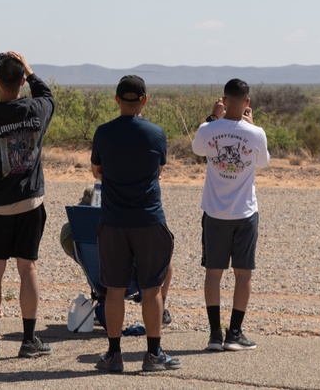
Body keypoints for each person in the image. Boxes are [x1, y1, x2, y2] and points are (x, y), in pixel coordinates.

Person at [0, 51, 55, 359]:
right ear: (21, 81)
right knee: (27, 266)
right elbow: (47, 94)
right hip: (30, 202)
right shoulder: (36, 110)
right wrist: (29, 69)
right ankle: (29, 339)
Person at [91, 75, 181, 373]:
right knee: (152, 288)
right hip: (148, 218)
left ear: (117, 100)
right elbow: (158, 170)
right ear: (144, 100)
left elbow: (96, 170)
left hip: (114, 220)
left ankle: (114, 355)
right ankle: (153, 354)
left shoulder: (103, 133)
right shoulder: (156, 134)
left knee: (114, 289)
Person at [192, 78, 270, 352]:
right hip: (245, 212)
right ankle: (234, 333)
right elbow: (263, 162)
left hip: (214, 212)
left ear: (224, 101)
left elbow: (197, 149)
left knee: (213, 273)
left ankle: (215, 333)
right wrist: (249, 125)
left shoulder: (208, 128)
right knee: (243, 274)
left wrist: (214, 117)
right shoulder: (256, 133)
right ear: (247, 102)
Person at [58, 185, 174, 326]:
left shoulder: (70, 233)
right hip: (128, 282)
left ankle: (103, 302)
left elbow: (78, 254)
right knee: (167, 261)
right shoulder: (121, 229)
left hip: (98, 281)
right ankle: (160, 307)